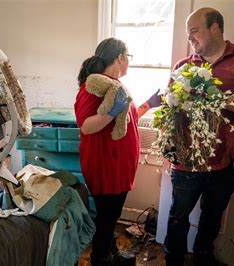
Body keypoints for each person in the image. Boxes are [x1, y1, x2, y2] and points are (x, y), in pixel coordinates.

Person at [163, 7, 234, 266]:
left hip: (226, 161)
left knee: (212, 218)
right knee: (178, 217)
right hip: (186, 159)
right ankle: (172, 260)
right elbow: (170, 111)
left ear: (215, 28)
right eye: (187, 33)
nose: (190, 38)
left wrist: (220, 100)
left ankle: (203, 257)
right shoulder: (184, 66)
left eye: (194, 31)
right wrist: (169, 142)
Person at [74, 37, 161, 266]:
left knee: (110, 217)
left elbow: (128, 119)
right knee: (107, 217)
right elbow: (86, 125)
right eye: (128, 57)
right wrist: (111, 113)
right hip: (106, 166)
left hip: (118, 166)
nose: (128, 62)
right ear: (121, 57)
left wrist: (150, 104)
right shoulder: (95, 87)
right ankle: (101, 259)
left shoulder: (115, 86)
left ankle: (109, 251)